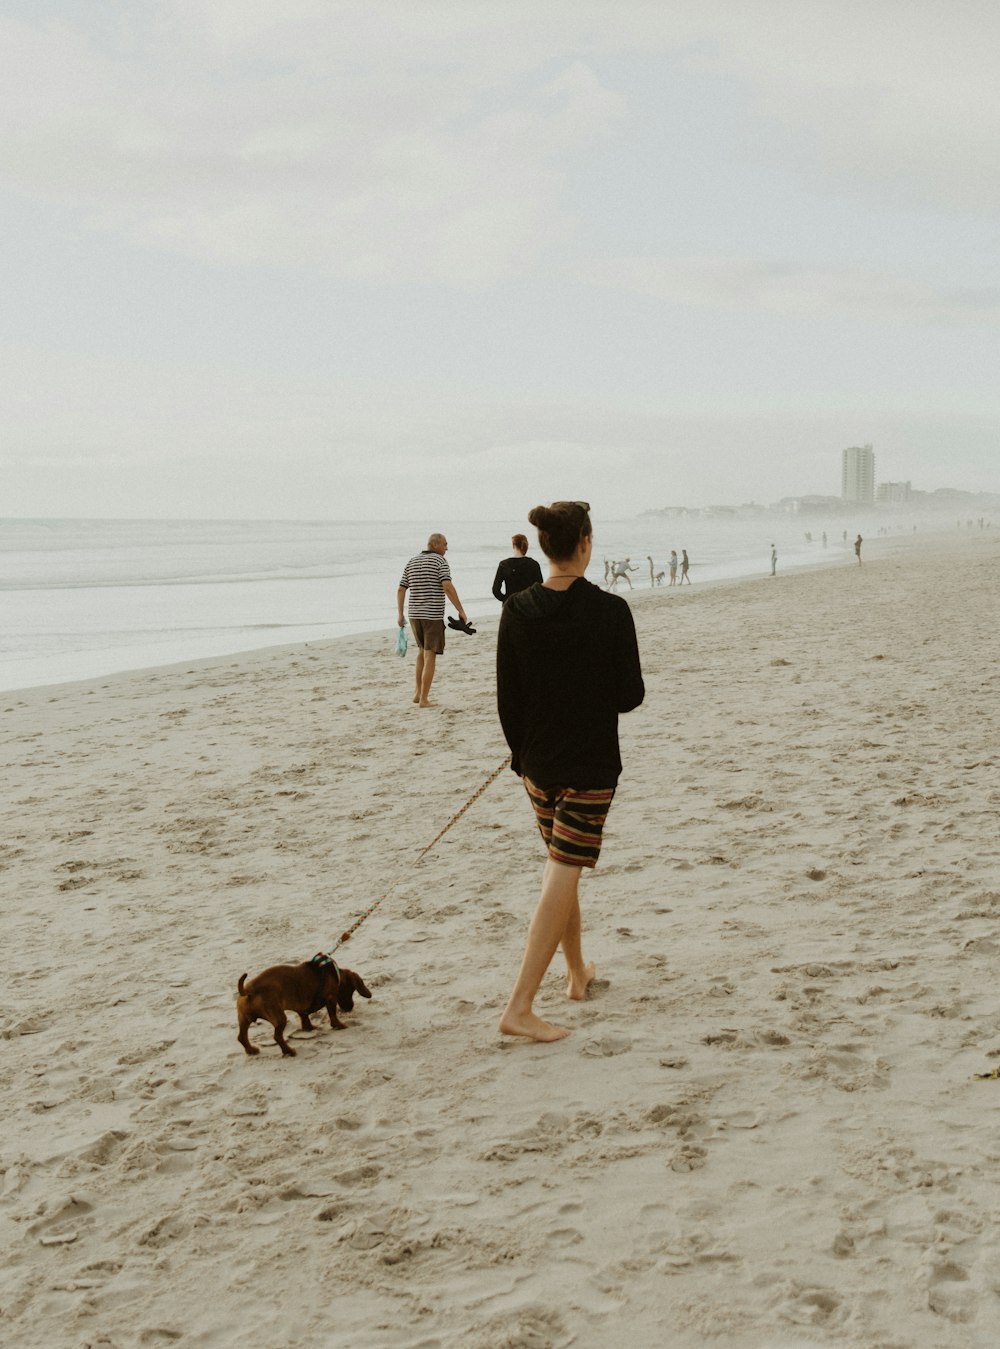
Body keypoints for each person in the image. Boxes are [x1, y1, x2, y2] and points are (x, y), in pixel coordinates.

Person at [496, 500, 645, 1042]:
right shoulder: (610, 610)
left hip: (535, 763)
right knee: (563, 869)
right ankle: (519, 1008)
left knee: (565, 866)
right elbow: (631, 696)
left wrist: (521, 760)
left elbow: (507, 701)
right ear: (584, 543)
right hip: (588, 764)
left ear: (543, 547)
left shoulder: (516, 610)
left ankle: (578, 974)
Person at [396, 532, 470, 708]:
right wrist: (461, 610)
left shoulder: (412, 561)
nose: (446, 547)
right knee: (430, 655)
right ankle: (424, 699)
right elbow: (447, 586)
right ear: (435, 545)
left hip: (414, 615)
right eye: (445, 544)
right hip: (432, 616)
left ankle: (417, 693)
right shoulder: (440, 561)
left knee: (421, 652)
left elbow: (401, 589)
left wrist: (400, 614)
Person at [492, 534, 543, 603]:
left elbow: (495, 590)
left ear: (513, 546)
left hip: (511, 607)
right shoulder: (533, 564)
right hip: (529, 605)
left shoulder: (504, 564)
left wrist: (506, 600)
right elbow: (539, 589)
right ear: (526, 546)